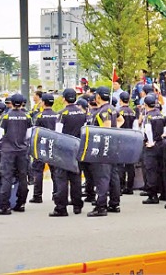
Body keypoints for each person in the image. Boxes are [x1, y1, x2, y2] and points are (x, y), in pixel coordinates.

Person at [0, 93, 32, 215]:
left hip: (8, 151)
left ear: (12, 103)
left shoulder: (6, 116)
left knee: (6, 177)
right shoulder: (27, 117)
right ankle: (21, 203)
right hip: (22, 151)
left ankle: (5, 206)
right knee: (23, 177)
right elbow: (29, 135)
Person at [50, 89, 87, 217]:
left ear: (64, 98)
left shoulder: (62, 114)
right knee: (76, 178)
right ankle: (77, 205)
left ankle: (61, 208)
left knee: (61, 179)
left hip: (64, 149)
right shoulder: (82, 113)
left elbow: (58, 134)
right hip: (77, 148)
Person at [86, 86, 120, 217]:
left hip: (103, 148)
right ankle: (114, 203)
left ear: (98, 97)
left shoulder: (102, 111)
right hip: (113, 147)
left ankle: (100, 206)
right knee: (113, 176)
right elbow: (120, 121)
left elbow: (106, 129)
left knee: (102, 177)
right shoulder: (111, 108)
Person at [29, 93, 59, 204]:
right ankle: (56, 194)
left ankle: (37, 196)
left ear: (43, 102)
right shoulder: (57, 115)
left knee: (38, 171)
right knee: (55, 171)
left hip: (41, 145)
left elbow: (35, 132)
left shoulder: (39, 116)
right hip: (54, 145)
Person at [141, 94, 166, 206]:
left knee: (151, 170)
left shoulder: (148, 116)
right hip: (161, 143)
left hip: (151, 145)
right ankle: (164, 192)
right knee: (161, 169)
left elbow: (148, 130)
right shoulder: (160, 115)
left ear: (145, 104)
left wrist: (150, 142)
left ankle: (152, 195)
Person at [116, 92, 137, 195]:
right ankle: (130, 187)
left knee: (120, 165)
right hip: (131, 139)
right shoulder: (133, 112)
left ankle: (121, 186)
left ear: (120, 100)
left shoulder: (119, 112)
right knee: (130, 165)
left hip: (121, 139)